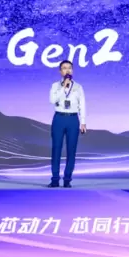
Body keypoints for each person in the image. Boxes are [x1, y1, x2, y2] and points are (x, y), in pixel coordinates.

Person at [48, 59, 86, 187]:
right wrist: (63, 87)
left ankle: (67, 180)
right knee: (56, 149)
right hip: (59, 118)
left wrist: (83, 122)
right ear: (60, 71)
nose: (67, 70)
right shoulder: (55, 86)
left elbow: (82, 105)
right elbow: (52, 100)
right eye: (64, 68)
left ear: (72, 70)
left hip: (73, 119)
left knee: (71, 150)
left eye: (69, 68)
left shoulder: (78, 87)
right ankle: (54, 179)